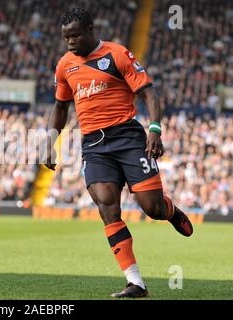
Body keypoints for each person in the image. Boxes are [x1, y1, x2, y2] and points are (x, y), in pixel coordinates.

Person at [45, 7, 193, 298]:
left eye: (75, 35)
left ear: (90, 29)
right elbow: (60, 106)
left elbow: (148, 92)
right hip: (94, 145)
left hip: (128, 137)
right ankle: (135, 282)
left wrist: (154, 129)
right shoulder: (64, 65)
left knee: (151, 208)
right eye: (66, 38)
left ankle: (169, 210)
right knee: (107, 206)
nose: (70, 42)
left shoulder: (117, 54)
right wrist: (49, 141)